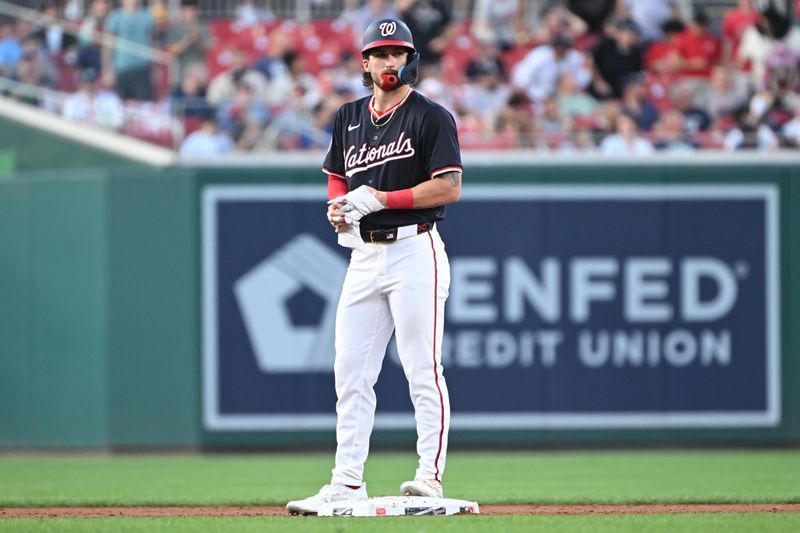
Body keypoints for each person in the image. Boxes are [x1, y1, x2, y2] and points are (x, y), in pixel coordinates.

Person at [286, 17, 462, 516]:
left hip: (414, 249)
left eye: (398, 53)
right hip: (364, 255)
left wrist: (382, 197)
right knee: (350, 371)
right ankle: (346, 482)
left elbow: (449, 186)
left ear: (410, 59)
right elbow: (337, 177)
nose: (390, 61)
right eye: (380, 53)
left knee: (421, 367)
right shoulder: (347, 116)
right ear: (364, 61)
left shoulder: (431, 116)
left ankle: (429, 475)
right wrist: (337, 205)